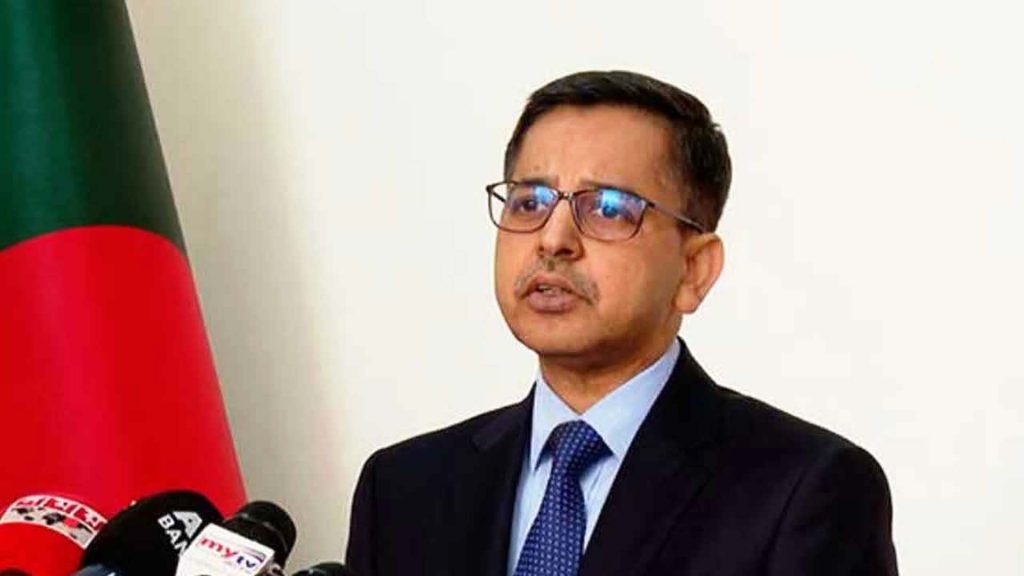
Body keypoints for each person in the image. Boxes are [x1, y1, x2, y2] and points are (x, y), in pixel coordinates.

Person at [345, 70, 898, 576]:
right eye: (529, 202)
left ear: (694, 269)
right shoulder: (403, 489)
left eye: (608, 208)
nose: (553, 239)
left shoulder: (803, 489)